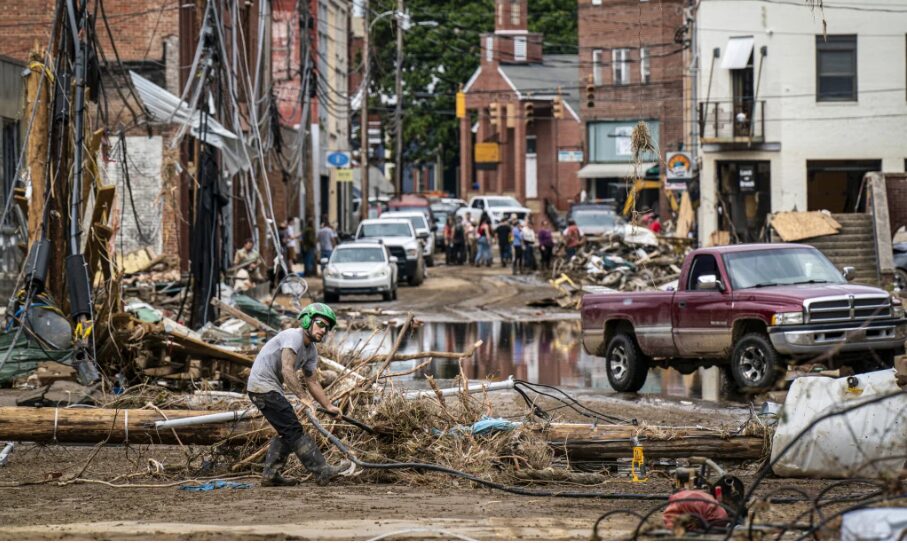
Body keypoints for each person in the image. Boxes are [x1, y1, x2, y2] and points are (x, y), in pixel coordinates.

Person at [246, 303, 351, 486]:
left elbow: (312, 381)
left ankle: (271, 475)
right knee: (293, 429)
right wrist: (304, 398)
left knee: (286, 430)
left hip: (270, 389)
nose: (323, 330)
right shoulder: (293, 337)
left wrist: (328, 406)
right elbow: (288, 371)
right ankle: (321, 470)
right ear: (306, 321)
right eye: (320, 323)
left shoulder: (311, 350)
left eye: (327, 327)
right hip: (262, 387)